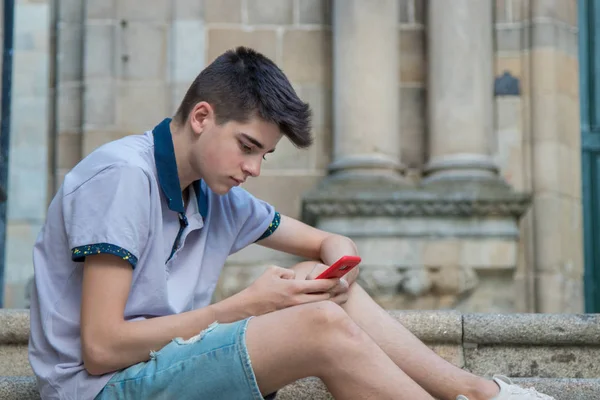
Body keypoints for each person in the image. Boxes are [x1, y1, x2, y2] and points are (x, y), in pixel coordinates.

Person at [28, 46, 555, 400]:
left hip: (159, 370)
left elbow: (327, 241)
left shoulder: (216, 195)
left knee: (319, 286)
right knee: (316, 323)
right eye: (247, 147)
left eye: (265, 156)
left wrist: (339, 265)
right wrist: (243, 308)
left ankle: (482, 392)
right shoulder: (122, 176)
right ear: (202, 117)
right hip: (101, 389)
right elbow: (100, 349)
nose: (254, 169)